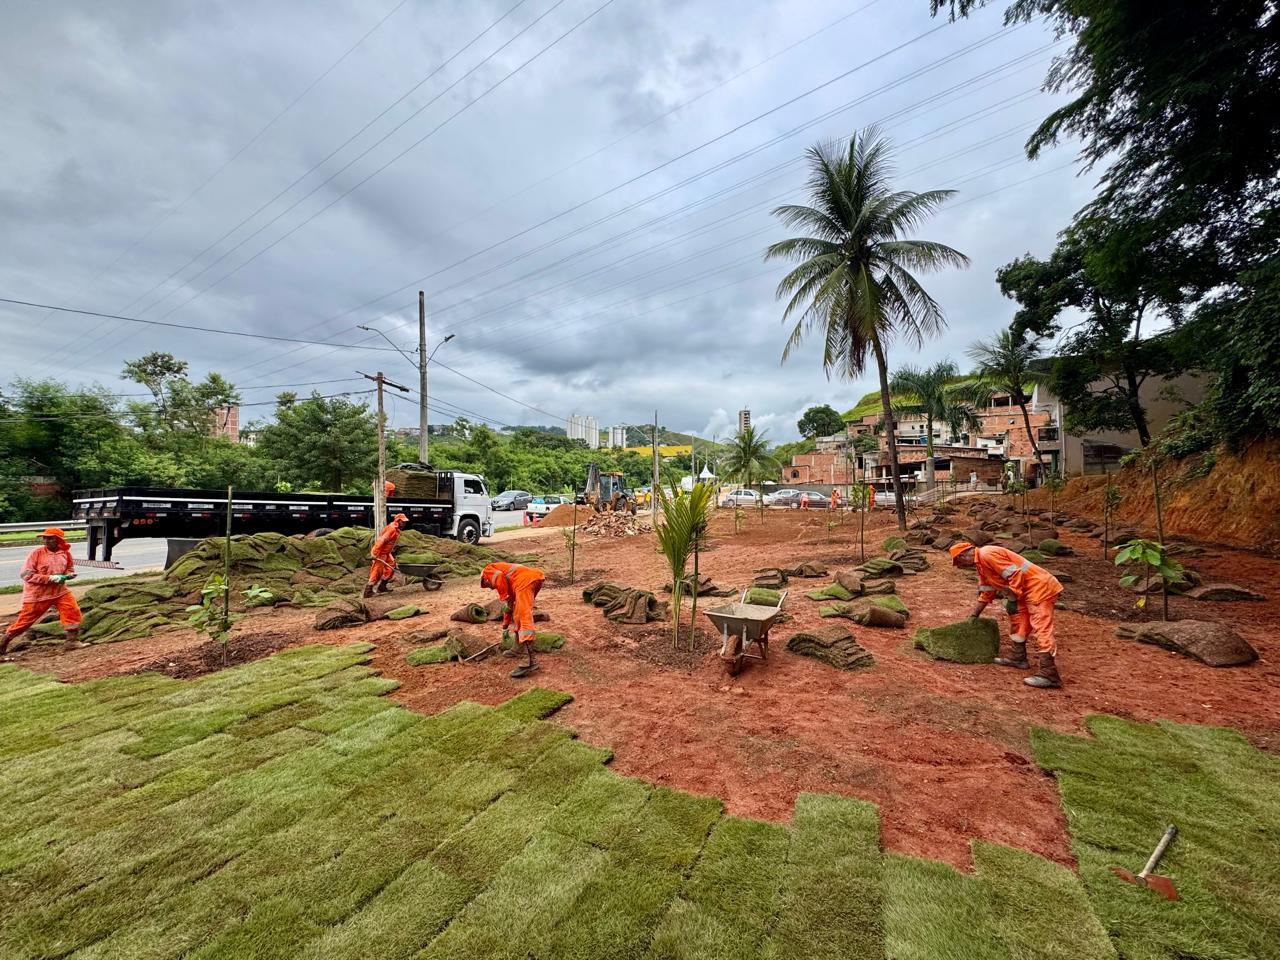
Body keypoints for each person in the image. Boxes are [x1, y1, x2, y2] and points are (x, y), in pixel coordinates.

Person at [949, 540, 1064, 689]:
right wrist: (974, 615)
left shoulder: (987, 554)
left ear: (964, 554)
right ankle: (1018, 657)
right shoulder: (981, 565)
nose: (961, 565)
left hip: (1039, 588)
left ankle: (1049, 674)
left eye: (959, 561)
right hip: (1024, 591)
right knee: (1018, 621)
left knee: (1041, 626)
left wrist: (1013, 596)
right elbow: (987, 591)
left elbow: (1015, 574)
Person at [1, 528, 81, 656]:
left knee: (72, 611)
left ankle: (71, 642)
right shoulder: (36, 554)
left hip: (60, 591)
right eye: (45, 538)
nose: (46, 541)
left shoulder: (65, 553)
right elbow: (26, 575)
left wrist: (68, 574)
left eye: (50, 538)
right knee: (24, 622)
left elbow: (69, 568)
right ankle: (4, 642)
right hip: (38, 595)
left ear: (59, 540)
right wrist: (49, 578)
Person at [480, 561, 546, 678]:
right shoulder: (510, 583)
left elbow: (498, 577)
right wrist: (505, 627)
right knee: (517, 614)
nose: (491, 588)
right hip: (533, 579)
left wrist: (503, 596)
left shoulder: (487, 571)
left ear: (485, 579)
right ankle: (518, 648)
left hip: (525, 581)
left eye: (488, 585)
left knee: (523, 617)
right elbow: (508, 607)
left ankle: (530, 661)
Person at [364, 513, 408, 598]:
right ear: (398, 521)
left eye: (405, 522)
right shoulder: (392, 529)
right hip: (380, 553)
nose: (404, 524)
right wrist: (374, 553)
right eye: (403, 522)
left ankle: (382, 587)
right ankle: (368, 591)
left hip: (387, 553)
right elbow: (381, 540)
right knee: (377, 571)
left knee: (392, 565)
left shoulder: (396, 529)